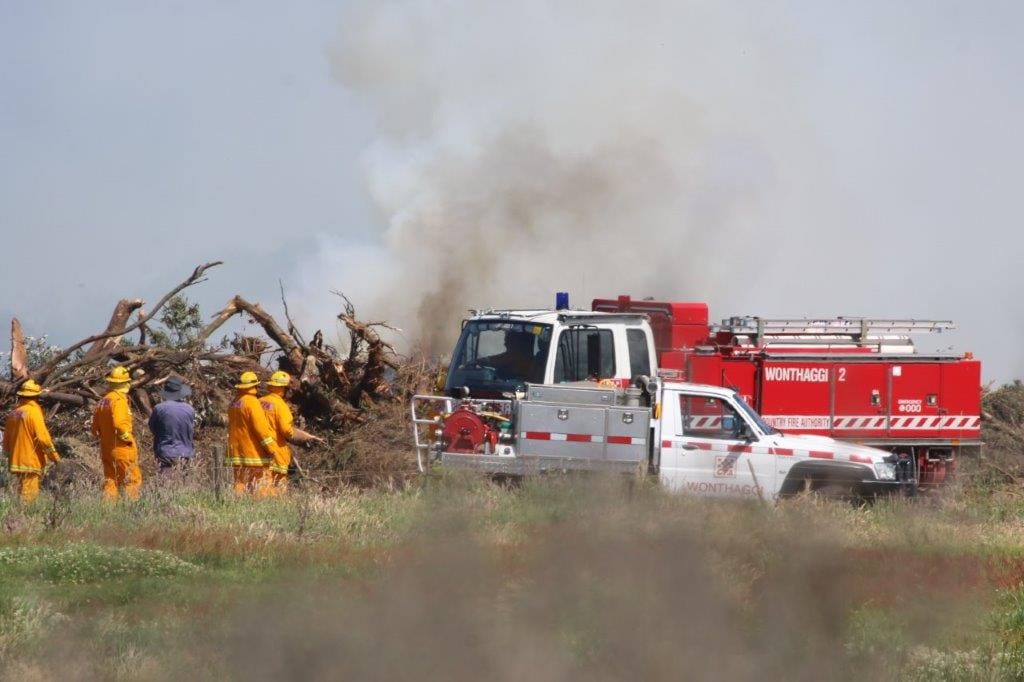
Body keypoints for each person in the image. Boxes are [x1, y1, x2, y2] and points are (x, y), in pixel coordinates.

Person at [259, 371, 323, 495]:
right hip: (276, 452)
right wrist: (304, 439)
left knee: (261, 485)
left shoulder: (259, 402)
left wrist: (308, 436)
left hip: (259, 450)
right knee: (278, 487)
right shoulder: (281, 406)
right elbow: (287, 431)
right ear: (284, 388)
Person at [3, 380, 60, 504]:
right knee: (28, 497)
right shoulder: (34, 412)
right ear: (36, 396)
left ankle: (18, 518)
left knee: (20, 491)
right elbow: (43, 437)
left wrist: (8, 454)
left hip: (16, 461)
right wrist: (54, 457)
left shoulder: (14, 413)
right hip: (30, 461)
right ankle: (26, 518)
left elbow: (6, 439)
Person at [91, 366, 142, 500]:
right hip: (121, 449)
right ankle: (131, 508)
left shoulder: (103, 401)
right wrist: (127, 439)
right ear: (125, 383)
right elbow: (119, 424)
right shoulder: (119, 400)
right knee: (131, 479)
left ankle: (108, 509)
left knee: (110, 480)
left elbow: (94, 429)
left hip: (107, 449)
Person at [227, 371, 277, 495]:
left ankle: (237, 506)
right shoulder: (253, 403)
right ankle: (261, 509)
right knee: (260, 484)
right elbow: (261, 429)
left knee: (239, 483)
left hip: (235, 452)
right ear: (255, 386)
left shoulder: (234, 403)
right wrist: (271, 448)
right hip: (253, 453)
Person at [148, 375, 195, 474]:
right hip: (185, 453)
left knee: (167, 485)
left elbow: (153, 428)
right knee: (185, 485)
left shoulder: (159, 408)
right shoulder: (190, 409)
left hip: (166, 452)